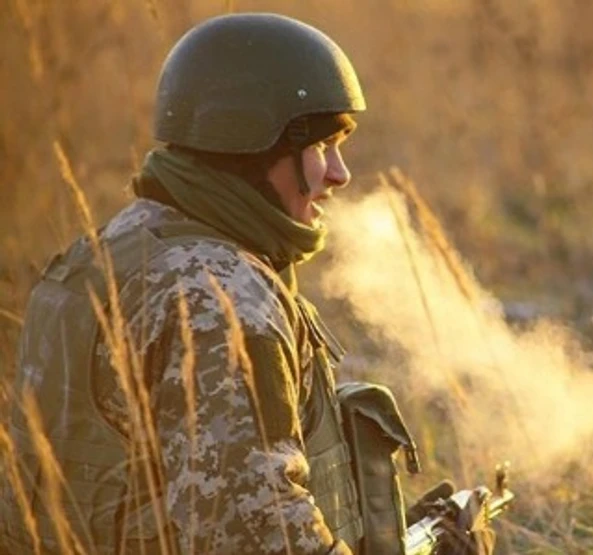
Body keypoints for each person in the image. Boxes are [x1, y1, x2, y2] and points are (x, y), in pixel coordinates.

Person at [3, 12, 413, 555]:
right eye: (321, 148)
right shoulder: (221, 299)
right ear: (256, 151)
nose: (340, 174)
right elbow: (263, 538)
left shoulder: (106, 250)